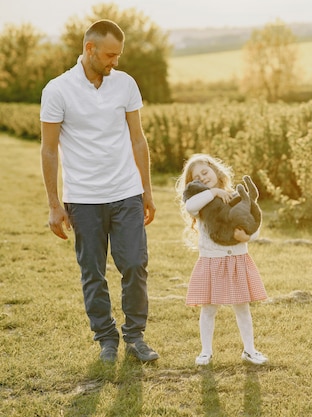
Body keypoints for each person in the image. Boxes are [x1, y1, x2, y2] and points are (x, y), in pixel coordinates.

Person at [40, 19, 159, 363]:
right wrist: (53, 204)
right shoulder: (57, 90)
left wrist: (146, 191)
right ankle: (106, 339)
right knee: (92, 271)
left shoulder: (125, 85)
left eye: (118, 55)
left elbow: (138, 139)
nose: (115, 62)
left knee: (135, 264)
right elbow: (49, 150)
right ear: (89, 49)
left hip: (126, 193)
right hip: (83, 199)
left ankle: (135, 337)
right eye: (109, 55)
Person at [175, 154, 269, 366]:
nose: (203, 177)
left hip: (237, 259)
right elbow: (190, 206)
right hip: (212, 260)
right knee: (208, 308)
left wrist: (248, 237)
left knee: (242, 308)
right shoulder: (201, 201)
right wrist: (213, 192)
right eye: (197, 177)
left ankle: (250, 350)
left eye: (205, 172)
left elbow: (251, 220)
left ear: (216, 171)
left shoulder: (234, 196)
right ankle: (206, 352)